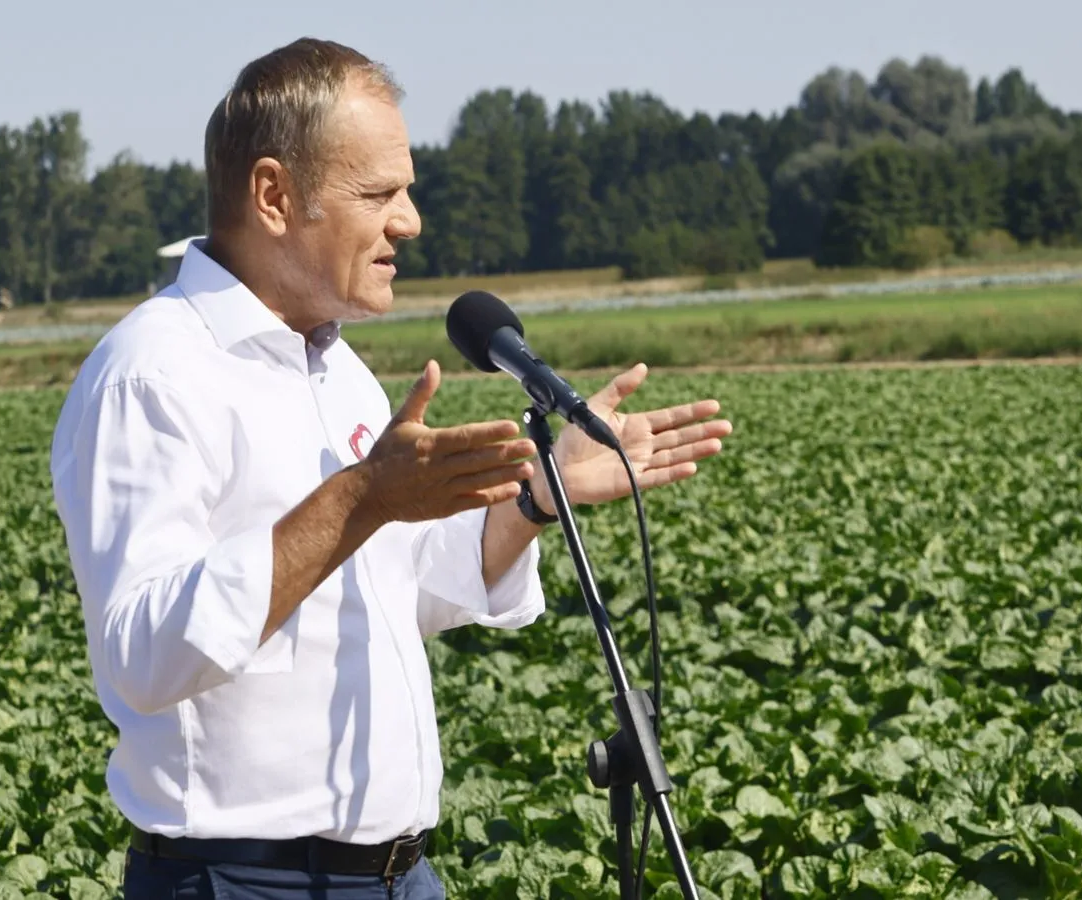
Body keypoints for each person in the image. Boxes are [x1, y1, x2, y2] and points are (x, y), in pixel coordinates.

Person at [49, 37, 732, 900]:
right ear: (273, 195)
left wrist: (536, 493)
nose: (409, 221)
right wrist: (361, 499)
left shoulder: (337, 370)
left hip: (402, 876)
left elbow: (402, 589)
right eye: (379, 193)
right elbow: (142, 655)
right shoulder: (154, 374)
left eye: (405, 190)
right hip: (245, 881)